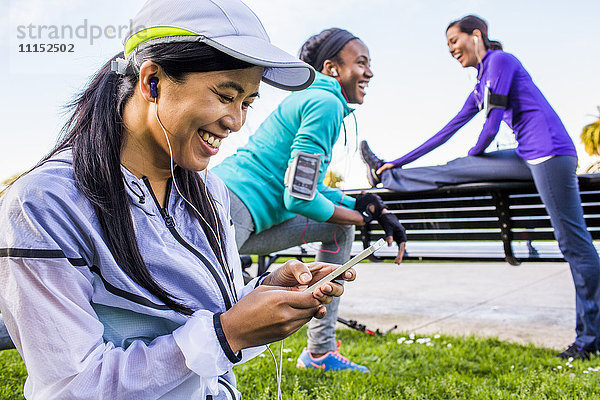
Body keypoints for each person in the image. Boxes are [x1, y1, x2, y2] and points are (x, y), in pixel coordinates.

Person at [0, 1, 359, 398]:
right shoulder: (44, 204)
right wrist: (228, 335)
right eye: (226, 95)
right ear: (152, 81)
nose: (236, 122)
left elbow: (196, 315)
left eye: (247, 103)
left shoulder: (211, 191)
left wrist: (266, 293)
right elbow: (71, 386)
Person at [360, 15, 600, 360]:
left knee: (574, 243)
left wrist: (474, 155)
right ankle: (387, 173)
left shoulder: (501, 61)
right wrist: (399, 160)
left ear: (476, 36)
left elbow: (492, 121)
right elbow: (448, 129)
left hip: (550, 153)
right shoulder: (480, 82)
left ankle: (590, 340)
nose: (451, 50)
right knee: (458, 167)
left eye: (453, 42)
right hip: (527, 155)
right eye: (447, 46)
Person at [212, 28, 406, 373]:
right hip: (228, 210)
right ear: (332, 68)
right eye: (361, 63)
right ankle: (318, 353)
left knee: (337, 228)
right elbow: (300, 196)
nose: (369, 72)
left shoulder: (313, 99)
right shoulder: (326, 103)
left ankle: (320, 352)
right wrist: (360, 218)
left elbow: (305, 186)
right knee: (198, 320)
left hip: (245, 214)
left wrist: (368, 206)